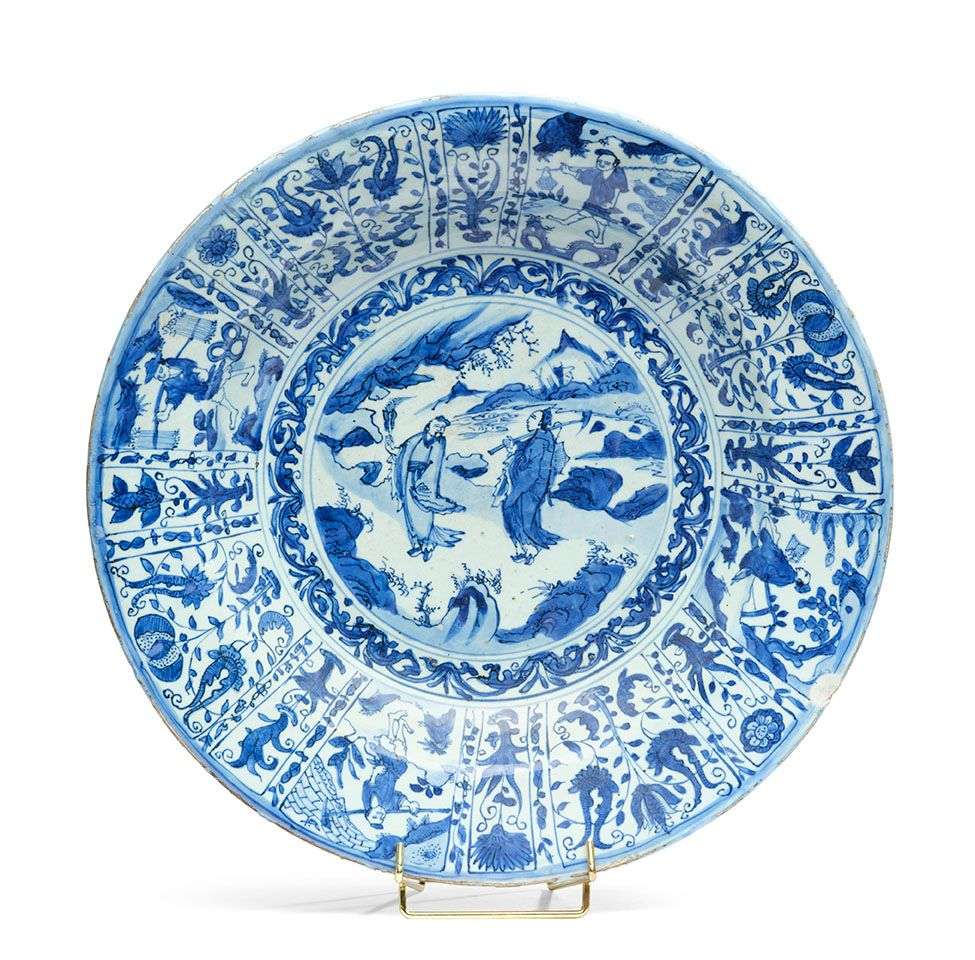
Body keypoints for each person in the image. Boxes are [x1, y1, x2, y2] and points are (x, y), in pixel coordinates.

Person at [493, 408, 567, 563]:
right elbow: (526, 450)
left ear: (540, 423)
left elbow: (531, 469)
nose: (528, 420)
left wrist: (511, 450)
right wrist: (514, 446)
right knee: (525, 516)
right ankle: (524, 549)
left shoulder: (540, 441)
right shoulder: (542, 437)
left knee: (515, 512)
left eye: (533, 417)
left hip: (530, 485)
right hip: (536, 485)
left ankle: (529, 550)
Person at [392, 416, 464, 561]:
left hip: (424, 480)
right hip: (408, 478)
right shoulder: (414, 440)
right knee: (410, 512)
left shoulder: (439, 442)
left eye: (442, 428)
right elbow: (402, 457)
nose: (440, 430)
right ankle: (416, 544)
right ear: (428, 426)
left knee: (424, 513)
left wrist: (426, 483)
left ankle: (427, 544)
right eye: (437, 426)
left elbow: (435, 466)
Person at [552, 148, 629, 243]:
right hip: (592, 201)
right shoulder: (596, 172)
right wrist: (568, 171)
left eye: (606, 163)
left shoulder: (618, 176)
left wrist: (611, 204)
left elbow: (618, 190)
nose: (602, 164)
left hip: (604, 205)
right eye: (599, 161)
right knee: (582, 213)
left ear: (614, 164)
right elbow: (582, 177)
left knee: (601, 221)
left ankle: (599, 240)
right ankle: (565, 221)